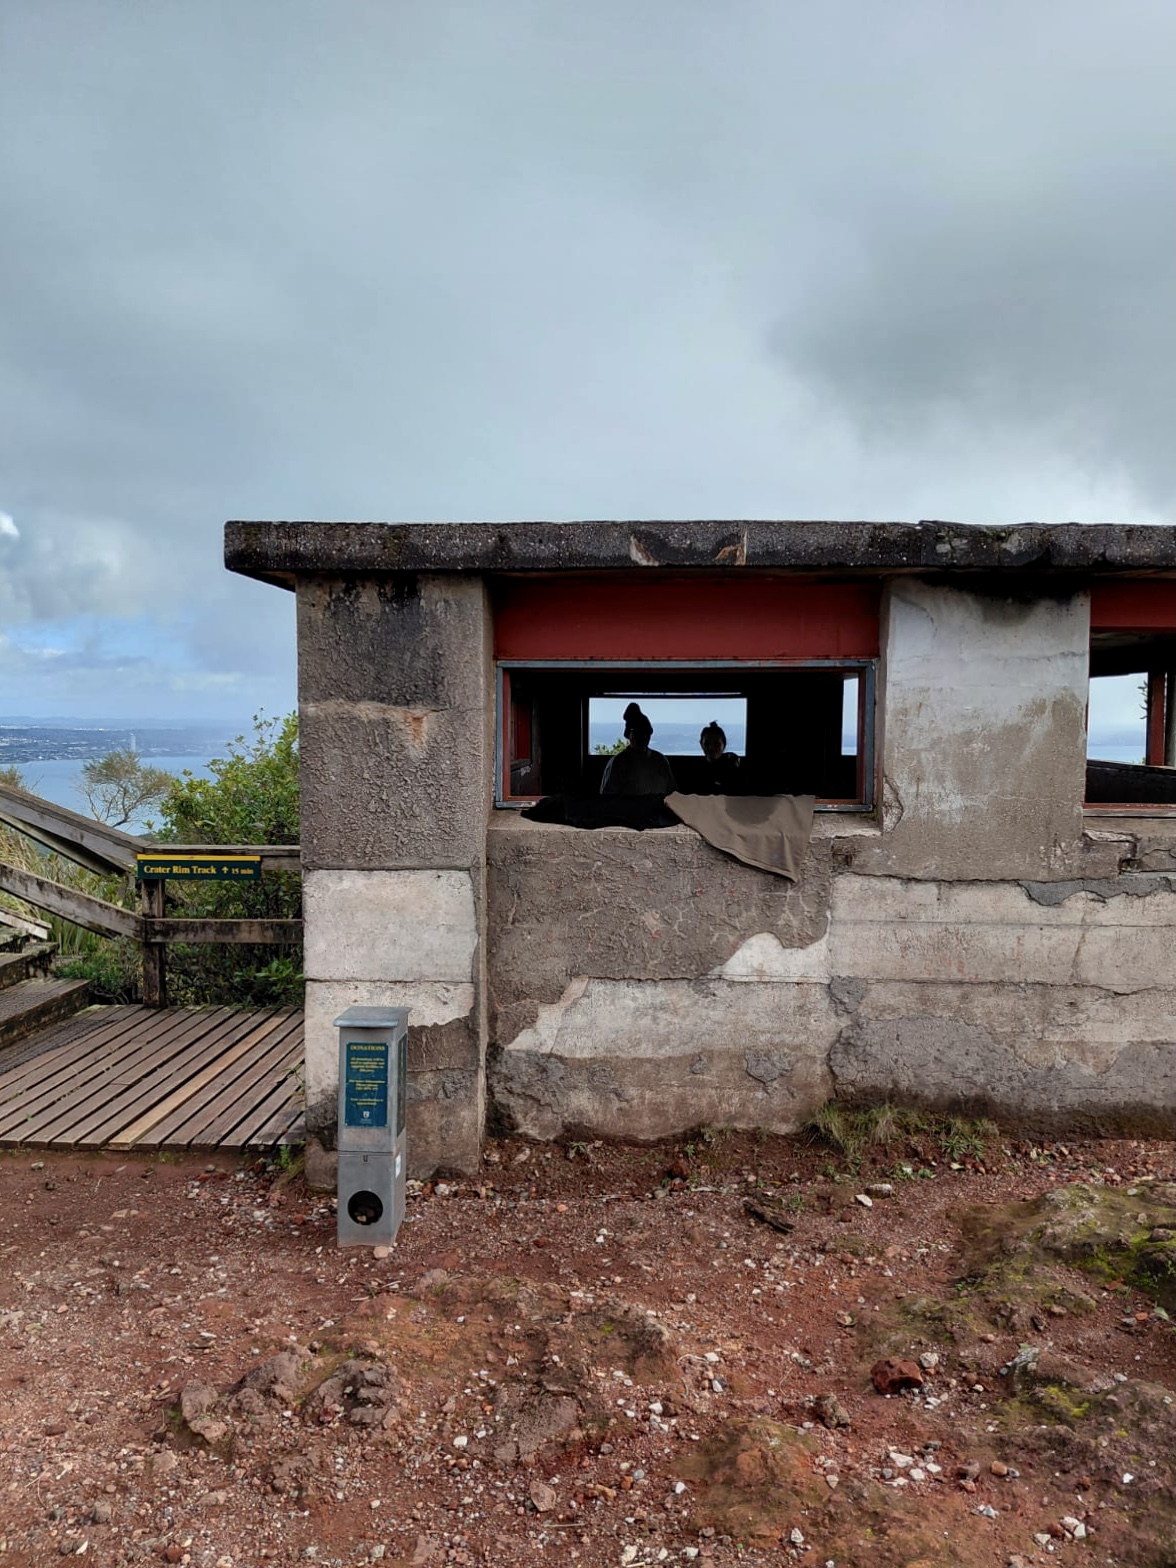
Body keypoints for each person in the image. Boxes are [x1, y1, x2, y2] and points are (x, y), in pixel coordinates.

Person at [600, 702, 676, 795]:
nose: (643, 737)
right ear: (629, 735)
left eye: (646, 733)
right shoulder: (618, 763)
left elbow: (672, 793)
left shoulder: (660, 760)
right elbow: (608, 798)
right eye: (638, 733)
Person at [698, 721, 741, 794]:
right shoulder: (697, 771)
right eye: (707, 743)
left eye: (716, 744)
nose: (711, 747)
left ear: (724, 745)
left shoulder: (732, 767)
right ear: (701, 744)